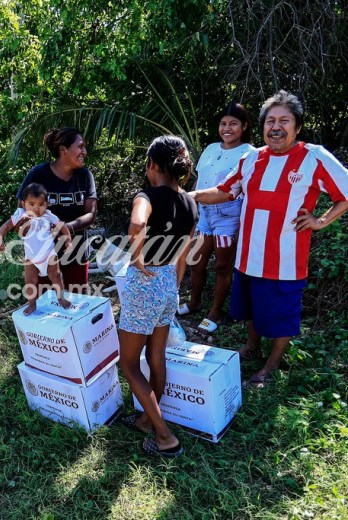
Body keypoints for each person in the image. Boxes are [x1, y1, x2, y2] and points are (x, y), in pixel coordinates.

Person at [190, 90, 348, 388]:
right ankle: (251, 347)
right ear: (261, 127)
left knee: (282, 313)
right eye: (270, 120)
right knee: (249, 307)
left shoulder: (314, 156)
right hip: (247, 254)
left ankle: (270, 366)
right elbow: (224, 190)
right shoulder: (251, 158)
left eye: (284, 120)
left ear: (297, 126)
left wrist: (321, 221)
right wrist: (188, 196)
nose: (276, 126)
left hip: (285, 259)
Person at [118, 135, 197, 458]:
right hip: (168, 282)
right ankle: (147, 421)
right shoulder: (190, 202)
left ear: (152, 164)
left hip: (146, 281)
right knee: (156, 357)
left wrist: (136, 255)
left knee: (128, 364)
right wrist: (174, 285)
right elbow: (184, 252)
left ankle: (164, 436)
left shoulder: (146, 195)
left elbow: (137, 224)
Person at [178, 102, 256, 333]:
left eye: (233, 123)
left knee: (222, 266)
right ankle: (194, 302)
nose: (227, 128)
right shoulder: (211, 148)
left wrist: (242, 224)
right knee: (197, 262)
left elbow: (246, 190)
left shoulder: (249, 153)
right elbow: (200, 180)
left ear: (244, 126)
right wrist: (190, 206)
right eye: (223, 123)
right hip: (204, 214)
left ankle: (215, 313)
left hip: (229, 216)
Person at [17, 127, 97, 293]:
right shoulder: (38, 175)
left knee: (76, 306)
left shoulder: (84, 175)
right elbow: (22, 208)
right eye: (80, 146)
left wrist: (66, 227)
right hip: (42, 256)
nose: (85, 151)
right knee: (45, 307)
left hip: (76, 254)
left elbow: (91, 214)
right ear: (63, 150)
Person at [0, 183, 73, 314]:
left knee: (56, 276)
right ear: (23, 204)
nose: (37, 208)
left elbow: (63, 226)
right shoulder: (21, 215)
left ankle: (61, 298)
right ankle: (32, 304)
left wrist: (68, 241)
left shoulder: (48, 215)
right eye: (32, 204)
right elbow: (7, 226)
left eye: (41, 204)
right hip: (31, 257)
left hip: (49, 253)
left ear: (46, 204)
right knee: (30, 281)